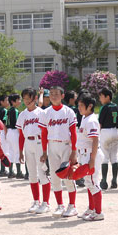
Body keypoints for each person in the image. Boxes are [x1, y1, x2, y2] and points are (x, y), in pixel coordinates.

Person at [39, 86, 78, 217]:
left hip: (66, 145)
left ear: (62, 96)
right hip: (52, 146)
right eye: (51, 94)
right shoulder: (45, 113)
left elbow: (73, 133)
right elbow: (43, 133)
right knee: (55, 177)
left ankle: (72, 206)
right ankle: (60, 205)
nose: (53, 96)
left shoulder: (68, 112)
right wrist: (44, 151)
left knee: (68, 176)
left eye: (56, 94)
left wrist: (74, 151)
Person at [17, 88, 51, 214]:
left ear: (35, 99)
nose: (26, 101)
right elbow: (21, 134)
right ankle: (36, 201)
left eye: (29, 99)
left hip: (39, 142)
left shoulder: (42, 113)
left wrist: (44, 150)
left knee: (42, 173)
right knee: (31, 174)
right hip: (28, 143)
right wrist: (20, 151)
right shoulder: (22, 115)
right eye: (24, 99)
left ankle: (46, 202)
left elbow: (45, 132)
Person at [76, 94, 104, 221]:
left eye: (82, 105)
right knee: (89, 183)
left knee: (93, 183)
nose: (79, 108)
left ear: (90, 106)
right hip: (84, 154)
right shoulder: (85, 118)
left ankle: (98, 212)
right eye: (79, 105)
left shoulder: (91, 120)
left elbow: (95, 140)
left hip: (90, 155)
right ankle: (91, 209)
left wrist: (92, 159)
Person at [97, 88, 118, 189]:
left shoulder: (104, 107)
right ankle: (114, 179)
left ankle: (103, 180)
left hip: (105, 131)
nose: (100, 99)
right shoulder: (116, 107)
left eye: (101, 96)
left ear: (108, 97)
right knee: (114, 157)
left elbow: (100, 122)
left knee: (105, 157)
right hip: (115, 131)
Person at [65, 90, 85, 188]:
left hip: (66, 133)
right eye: (75, 97)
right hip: (75, 131)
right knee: (77, 155)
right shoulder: (76, 110)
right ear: (72, 99)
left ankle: (68, 174)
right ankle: (78, 177)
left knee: (68, 155)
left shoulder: (65, 109)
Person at [5, 94, 23, 178]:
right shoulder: (15, 111)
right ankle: (19, 172)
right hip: (15, 131)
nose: (20, 101)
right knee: (17, 151)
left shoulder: (8, 110)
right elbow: (17, 123)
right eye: (18, 100)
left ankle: (10, 171)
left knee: (11, 151)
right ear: (13, 102)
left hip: (9, 131)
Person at [0, 95, 10, 177]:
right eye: (6, 100)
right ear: (1, 102)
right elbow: (3, 123)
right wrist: (5, 133)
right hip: (2, 131)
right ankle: (2, 170)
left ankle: (0, 169)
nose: (8, 102)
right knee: (3, 151)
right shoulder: (4, 110)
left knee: (0, 150)